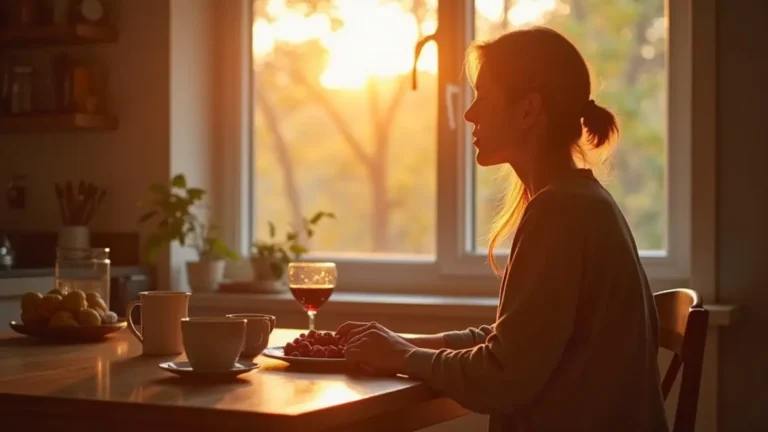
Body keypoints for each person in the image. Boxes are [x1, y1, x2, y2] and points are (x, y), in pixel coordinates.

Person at [336, 26, 668, 432]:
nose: (469, 113)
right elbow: (511, 343)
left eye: (483, 96)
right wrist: (403, 344)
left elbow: (502, 378)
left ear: (528, 110)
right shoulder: (580, 200)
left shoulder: (561, 212)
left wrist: (404, 357)